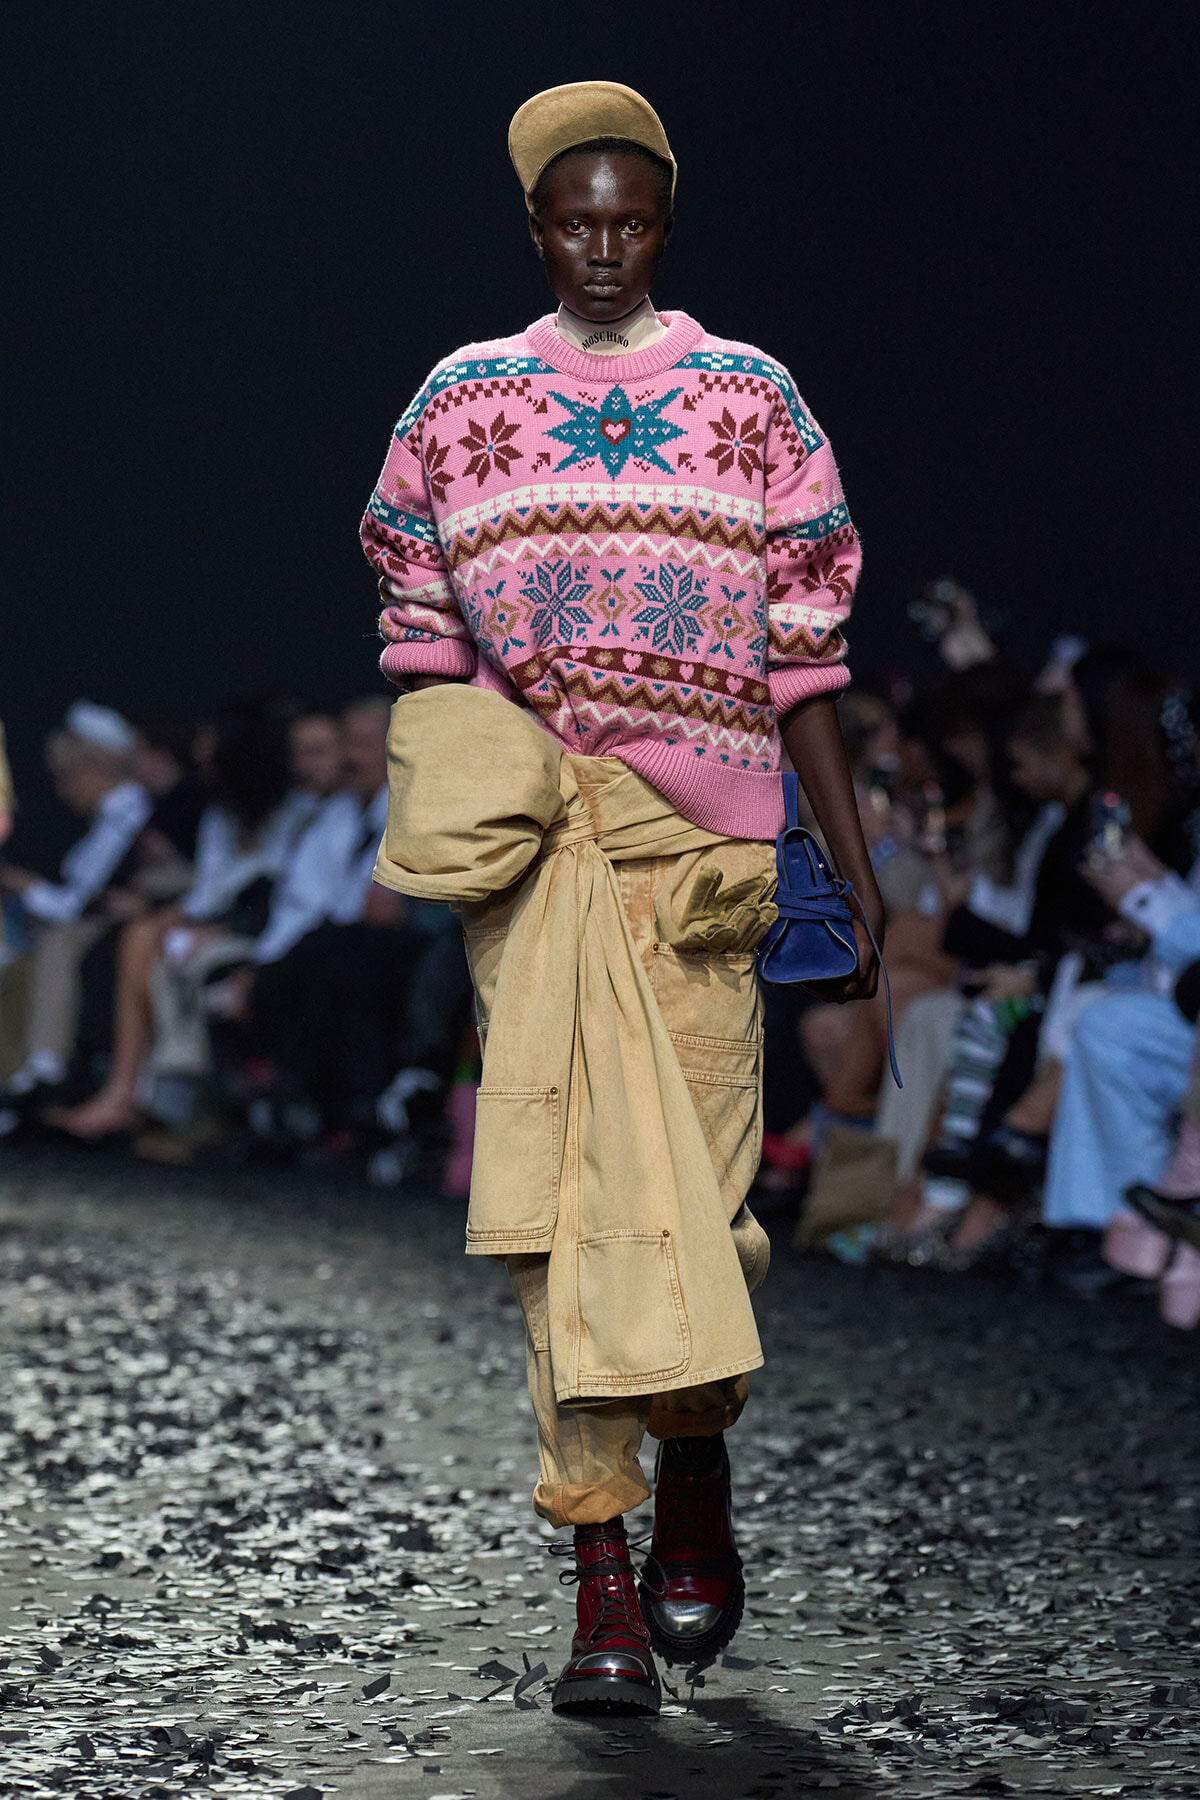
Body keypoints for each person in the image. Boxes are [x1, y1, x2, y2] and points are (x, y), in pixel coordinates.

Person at [360, 81, 881, 1716]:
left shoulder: (753, 399)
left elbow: (809, 662)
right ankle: (602, 1566)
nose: (601, 247)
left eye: (629, 218)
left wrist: (853, 871)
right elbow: (419, 632)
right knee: (565, 1233)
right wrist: (462, 793)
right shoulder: (460, 405)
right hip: (539, 878)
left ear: (666, 223)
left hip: (708, 867)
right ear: (535, 225)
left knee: (706, 1215)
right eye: (573, 220)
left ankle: (701, 1485)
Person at [0, 703, 151, 1097]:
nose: (61, 789)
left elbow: (78, 905)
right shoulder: (109, 818)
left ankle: (44, 1066)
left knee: (51, 944)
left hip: (103, 932)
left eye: (66, 777)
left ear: (95, 769)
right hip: (82, 925)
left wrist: (23, 885)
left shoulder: (128, 815)